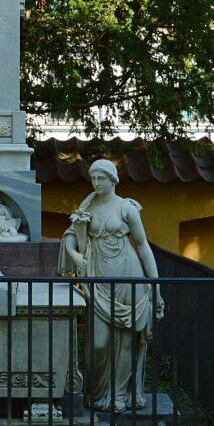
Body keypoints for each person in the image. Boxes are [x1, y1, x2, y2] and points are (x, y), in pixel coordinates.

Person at [58, 159, 165, 412]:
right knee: (98, 342)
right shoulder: (88, 206)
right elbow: (70, 236)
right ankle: (97, 394)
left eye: (101, 178)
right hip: (98, 281)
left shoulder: (127, 209)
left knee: (126, 342)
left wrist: (156, 287)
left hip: (130, 279)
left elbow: (143, 247)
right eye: (93, 179)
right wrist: (75, 256)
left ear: (113, 180)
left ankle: (118, 395)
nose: (96, 183)